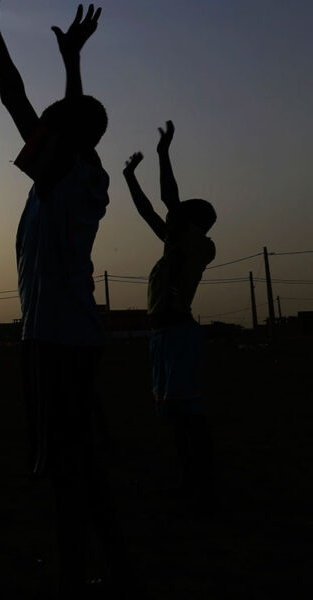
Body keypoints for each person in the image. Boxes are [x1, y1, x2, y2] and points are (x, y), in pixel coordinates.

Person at [0, 1, 138, 600]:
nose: (33, 130)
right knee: (81, 467)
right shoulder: (76, 174)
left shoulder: (67, 174)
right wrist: (72, 63)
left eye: (47, 126)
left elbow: (14, 98)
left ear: (62, 137)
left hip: (58, 342)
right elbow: (61, 120)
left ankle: (74, 597)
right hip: (67, 338)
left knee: (69, 472)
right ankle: (111, 580)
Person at [123, 120, 219, 507]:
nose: (170, 217)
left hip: (177, 334)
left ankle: (198, 484)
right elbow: (150, 209)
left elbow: (166, 199)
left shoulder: (197, 244)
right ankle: (191, 480)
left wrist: (163, 154)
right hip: (164, 336)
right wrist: (129, 178)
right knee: (176, 417)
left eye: (178, 214)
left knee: (187, 417)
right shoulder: (175, 243)